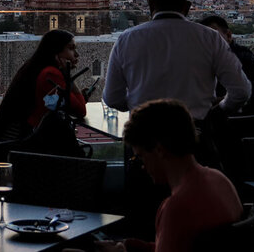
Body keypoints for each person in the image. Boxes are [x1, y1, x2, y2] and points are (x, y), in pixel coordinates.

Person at [95, 99, 243, 252]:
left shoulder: (176, 208)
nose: (142, 165)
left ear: (159, 150)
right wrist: (129, 246)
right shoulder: (220, 181)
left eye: (141, 156)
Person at [103, 0, 251, 121]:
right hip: (193, 133)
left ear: (151, 4)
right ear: (187, 7)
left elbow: (112, 98)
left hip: (143, 135)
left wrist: (137, 104)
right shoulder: (210, 38)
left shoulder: (127, 39)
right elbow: (241, 91)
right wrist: (217, 112)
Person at [0, 30, 88, 143]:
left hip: (13, 141)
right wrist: (67, 76)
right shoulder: (50, 74)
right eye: (71, 48)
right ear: (56, 51)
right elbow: (81, 111)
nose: (76, 54)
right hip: (18, 146)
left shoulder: (35, 68)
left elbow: (65, 106)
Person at [200, 15, 254, 117]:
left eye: (214, 36)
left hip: (250, 122)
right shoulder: (221, 58)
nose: (209, 41)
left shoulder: (241, 59)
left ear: (228, 35)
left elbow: (242, 96)